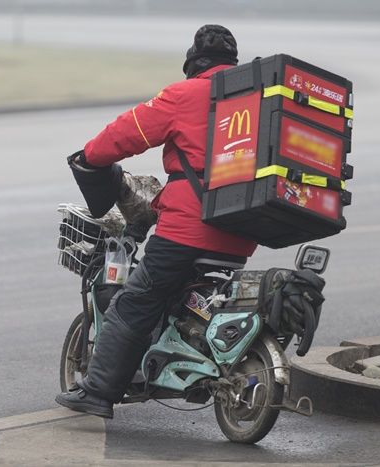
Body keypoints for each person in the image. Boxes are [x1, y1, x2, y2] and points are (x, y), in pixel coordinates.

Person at [55, 24, 257, 419]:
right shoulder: (256, 104)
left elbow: (124, 134)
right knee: (185, 296)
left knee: (135, 302)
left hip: (187, 230)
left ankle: (97, 390)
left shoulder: (185, 95)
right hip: (242, 235)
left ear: (193, 64)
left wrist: (89, 157)